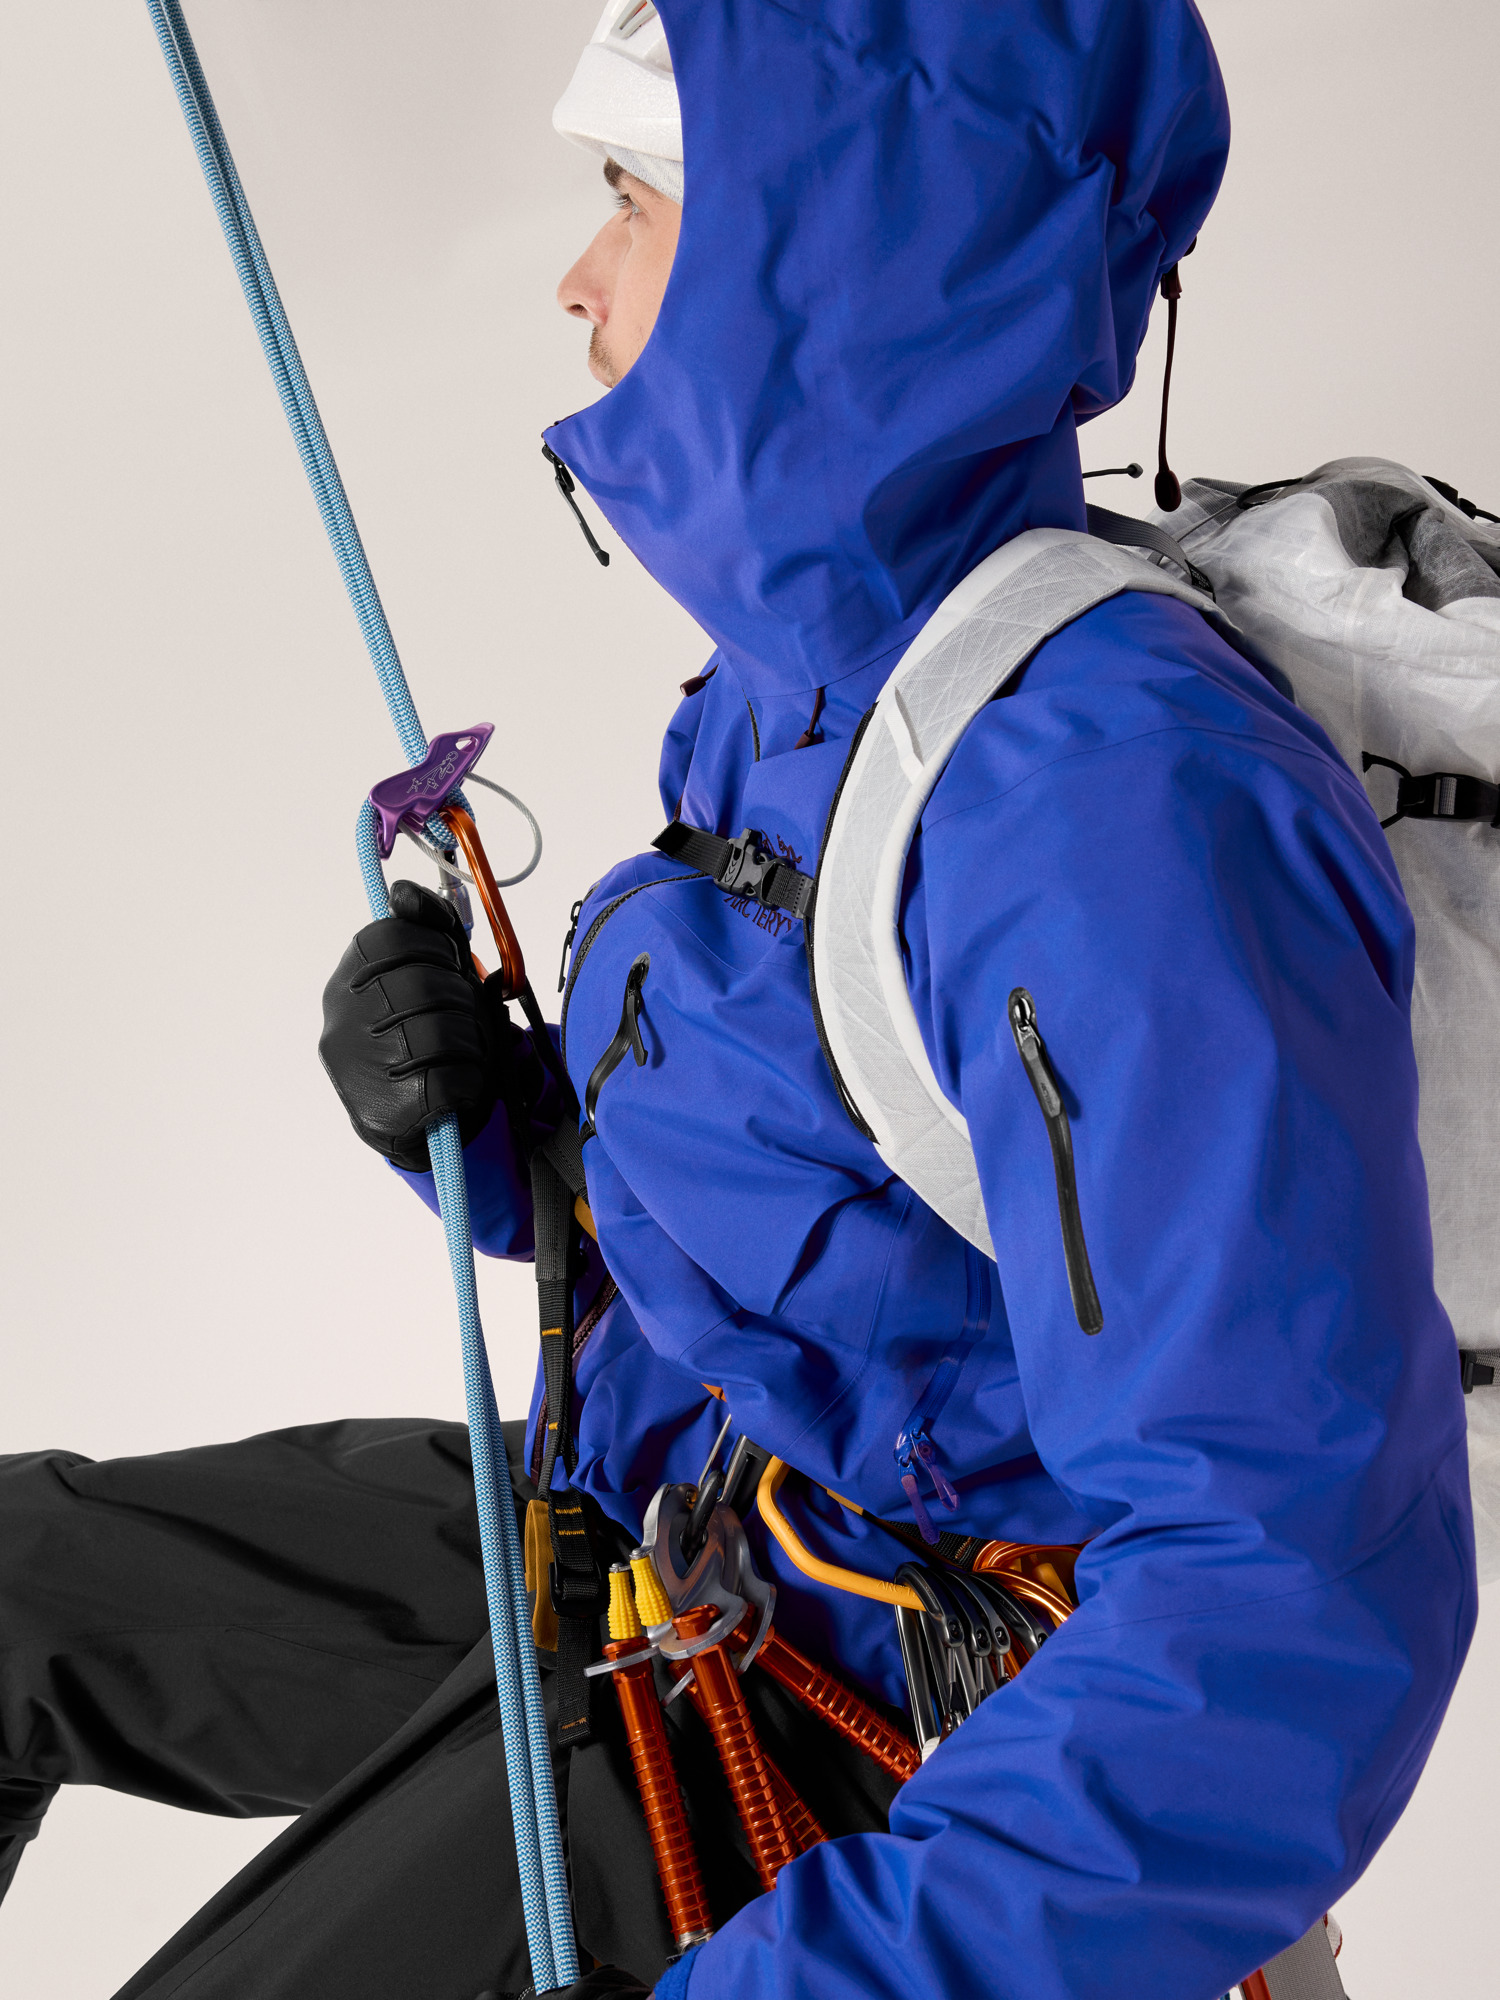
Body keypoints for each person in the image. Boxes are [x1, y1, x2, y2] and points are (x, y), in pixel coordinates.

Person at [0, 4, 1477, 1998]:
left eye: (629, 198)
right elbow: (884, 1213)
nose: (575, 274)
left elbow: (1280, 1605)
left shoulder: (1115, 805)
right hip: (671, 1513)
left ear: (830, 240)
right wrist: (506, 1136)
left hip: (888, 1723)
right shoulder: (828, 678)